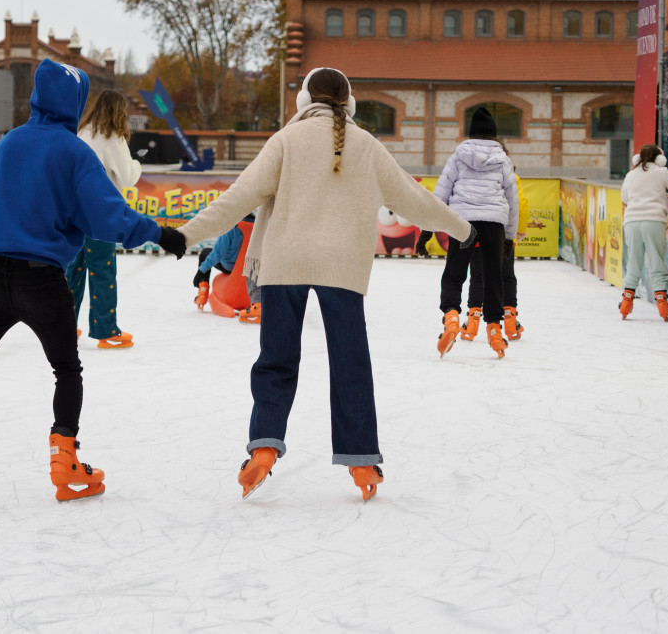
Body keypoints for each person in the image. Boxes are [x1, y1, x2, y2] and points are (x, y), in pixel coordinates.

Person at [174, 67, 472, 501]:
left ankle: (263, 447)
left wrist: (183, 235)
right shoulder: (368, 146)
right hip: (342, 270)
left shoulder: (285, 141)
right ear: (348, 102)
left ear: (302, 101)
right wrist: (463, 230)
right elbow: (413, 200)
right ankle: (363, 462)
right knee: (350, 362)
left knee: (276, 361)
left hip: (284, 265)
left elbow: (237, 198)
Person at [0, 60, 185, 501]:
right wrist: (160, 234)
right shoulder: (74, 153)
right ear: (74, 102)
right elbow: (109, 216)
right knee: (66, 370)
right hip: (42, 283)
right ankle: (64, 459)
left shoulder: (6, 145)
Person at [432, 107, 519, 359]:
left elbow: (441, 193)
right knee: (493, 277)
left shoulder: (458, 156)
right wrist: (509, 237)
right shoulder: (502, 159)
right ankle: (494, 330)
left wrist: (428, 229)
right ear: (493, 134)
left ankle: (451, 318)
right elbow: (512, 200)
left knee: (454, 274)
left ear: (470, 133)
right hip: (494, 224)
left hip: (463, 223)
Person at [64, 90, 143, 349]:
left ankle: (63, 325)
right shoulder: (113, 138)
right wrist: (137, 164)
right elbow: (127, 176)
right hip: (101, 215)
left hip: (75, 213)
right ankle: (105, 330)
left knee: (74, 270)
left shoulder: (82, 133)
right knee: (103, 269)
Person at [458, 153, 529, 343]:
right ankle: (510, 321)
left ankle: (472, 322)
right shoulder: (511, 178)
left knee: (478, 276)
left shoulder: (472, 175)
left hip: (477, 233)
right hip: (502, 235)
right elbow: (521, 203)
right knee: (505, 275)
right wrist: (518, 231)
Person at [619, 143, 668, 320]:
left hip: (631, 222)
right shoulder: (662, 172)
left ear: (637, 159)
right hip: (654, 221)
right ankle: (662, 306)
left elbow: (624, 197)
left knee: (633, 262)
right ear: (659, 159)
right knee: (656, 262)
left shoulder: (630, 175)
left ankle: (626, 304)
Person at [192, 213, 261, 322]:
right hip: (251, 269)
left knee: (205, 253)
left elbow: (217, 254)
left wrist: (201, 272)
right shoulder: (258, 225)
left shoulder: (232, 226)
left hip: (230, 267)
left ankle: (202, 294)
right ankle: (258, 303)